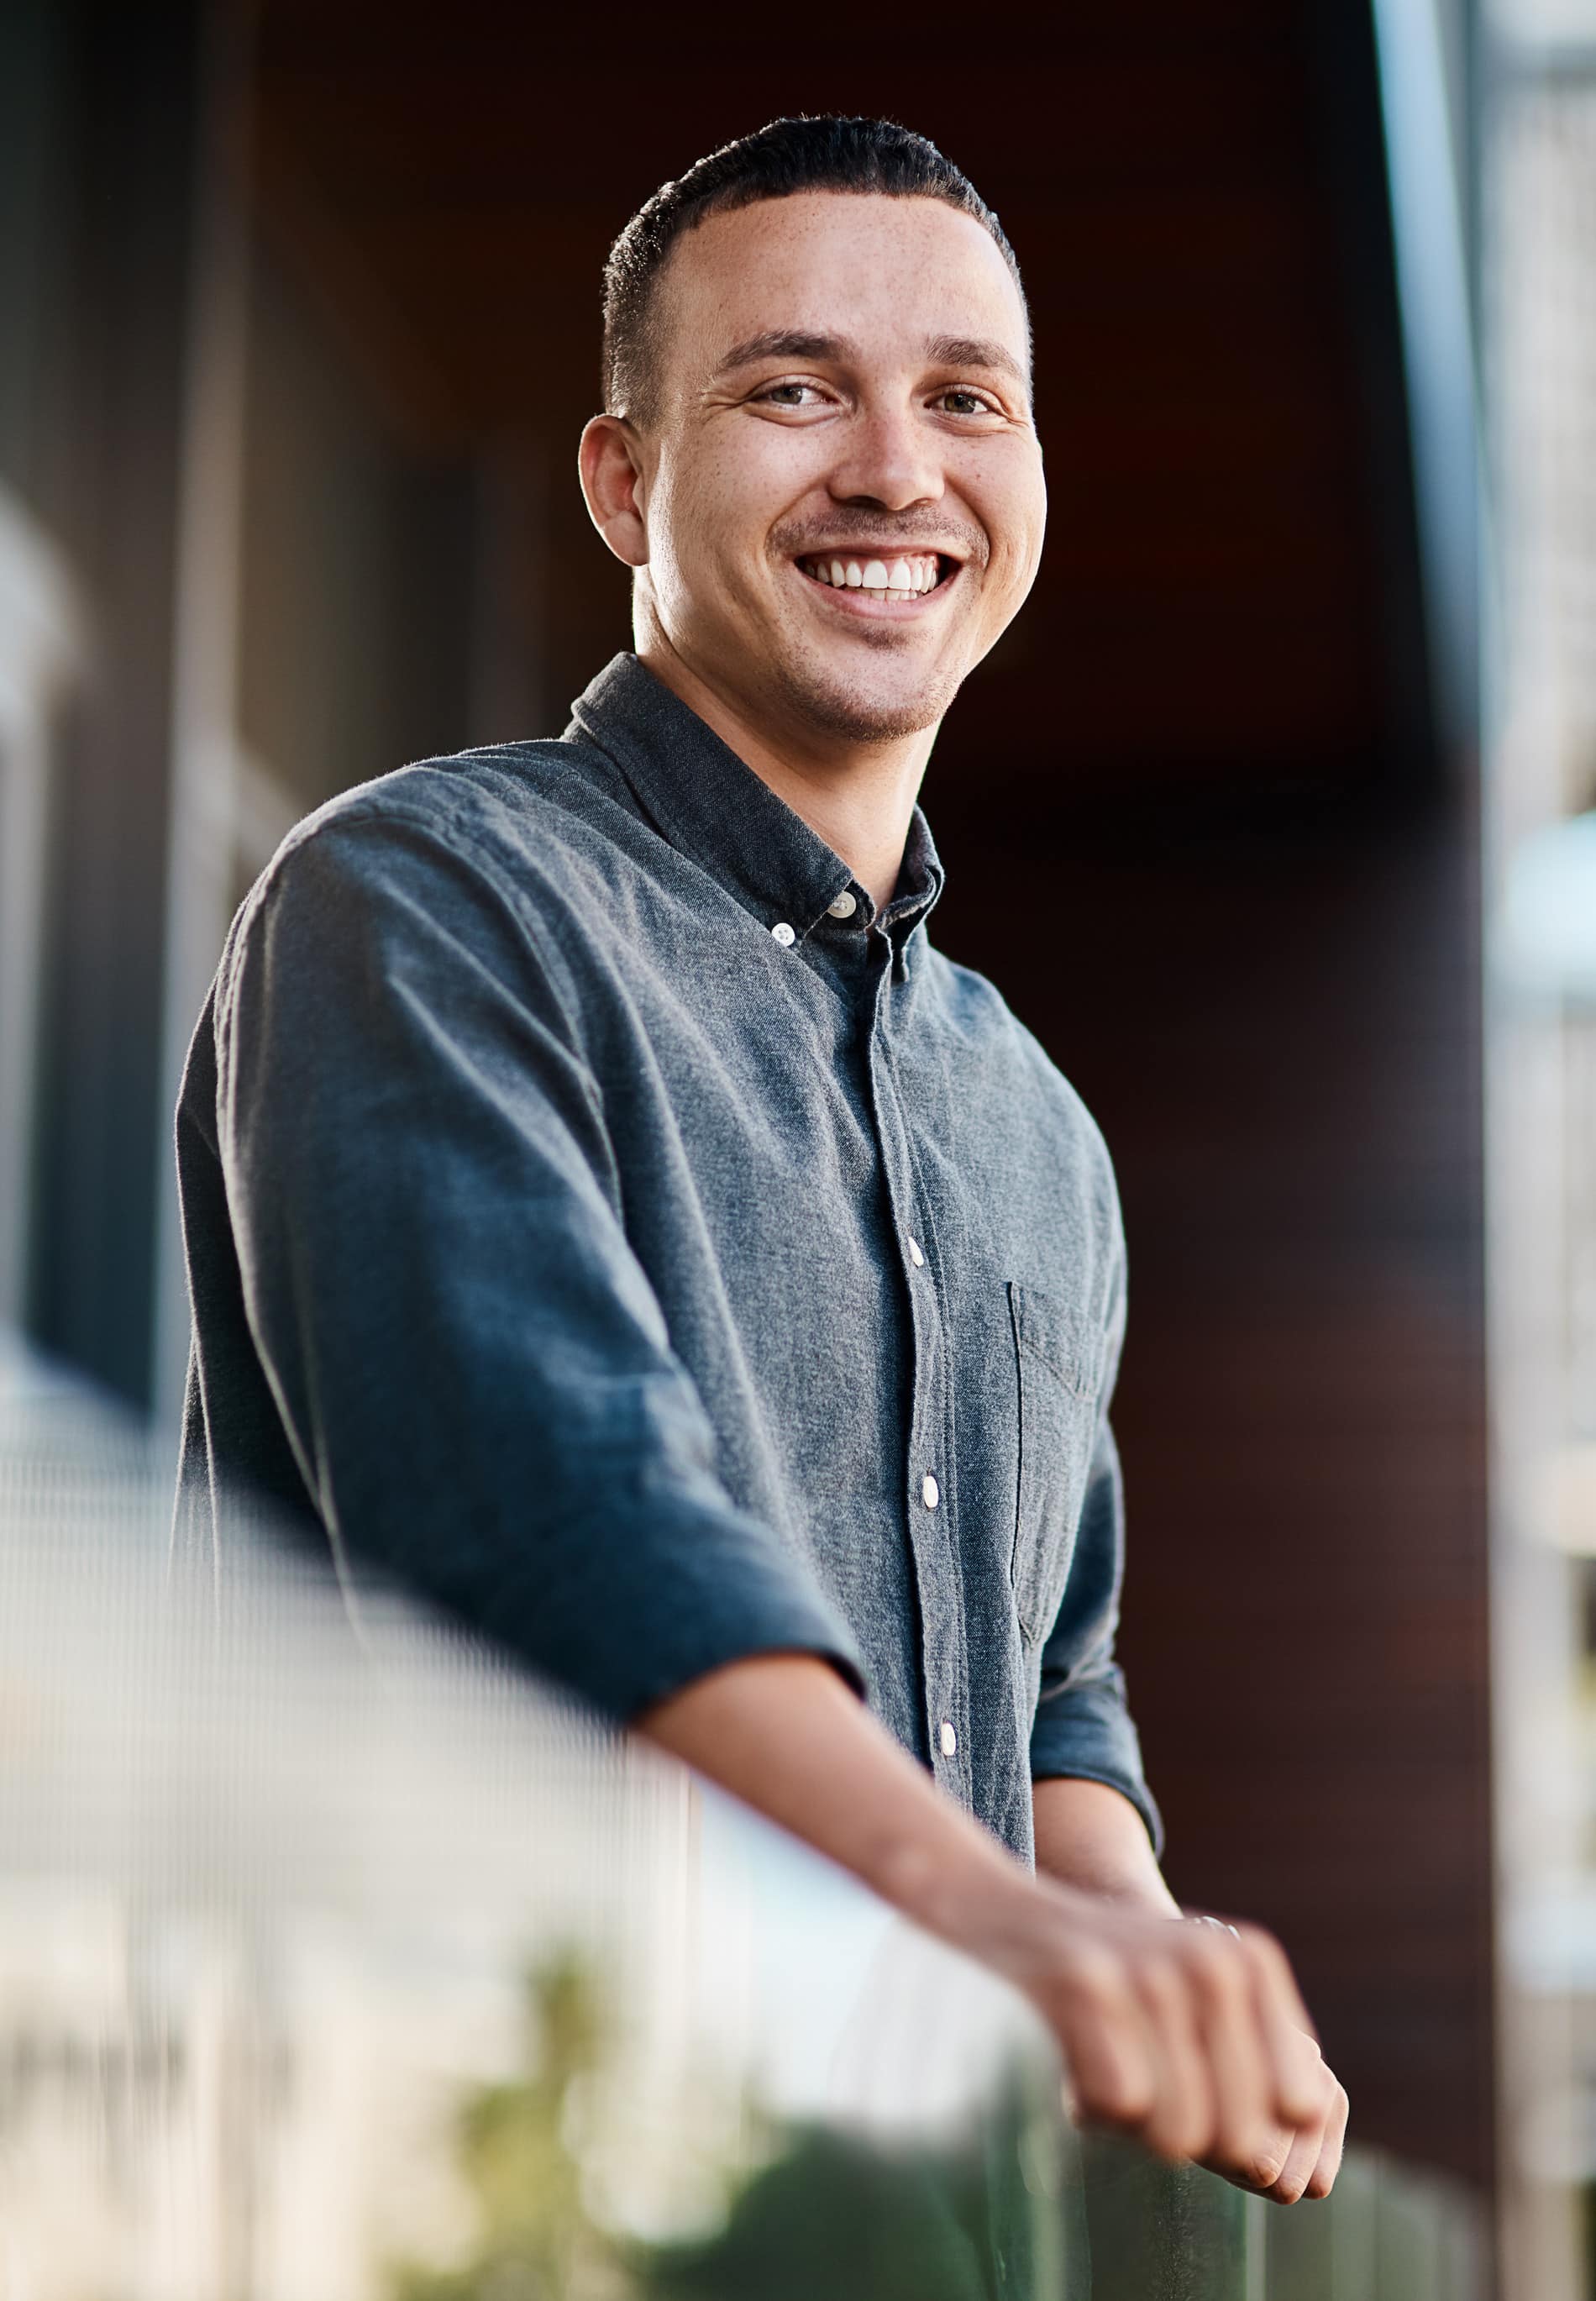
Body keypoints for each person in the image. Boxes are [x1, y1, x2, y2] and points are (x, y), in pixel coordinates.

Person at [174, 116, 1347, 2202]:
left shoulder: (1029, 1125)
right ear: (625, 476)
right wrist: (979, 1914)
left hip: (913, 2224)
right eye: (793, 388)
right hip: (486, 2210)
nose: (894, 467)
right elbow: (551, 1524)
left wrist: (1135, 1940)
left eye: (963, 399)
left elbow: (1055, 1682)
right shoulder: (423, 902)